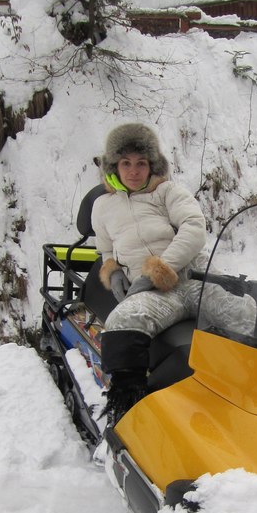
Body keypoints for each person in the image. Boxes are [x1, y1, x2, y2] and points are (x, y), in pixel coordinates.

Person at [92, 122, 210, 426]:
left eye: (141, 163)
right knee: (120, 322)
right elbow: (105, 247)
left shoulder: (169, 192)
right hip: (155, 295)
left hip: (195, 279)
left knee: (247, 313)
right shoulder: (102, 206)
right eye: (126, 163)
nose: (133, 171)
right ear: (114, 167)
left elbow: (194, 227)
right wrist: (113, 270)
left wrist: (161, 268)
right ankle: (127, 409)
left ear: (152, 165)